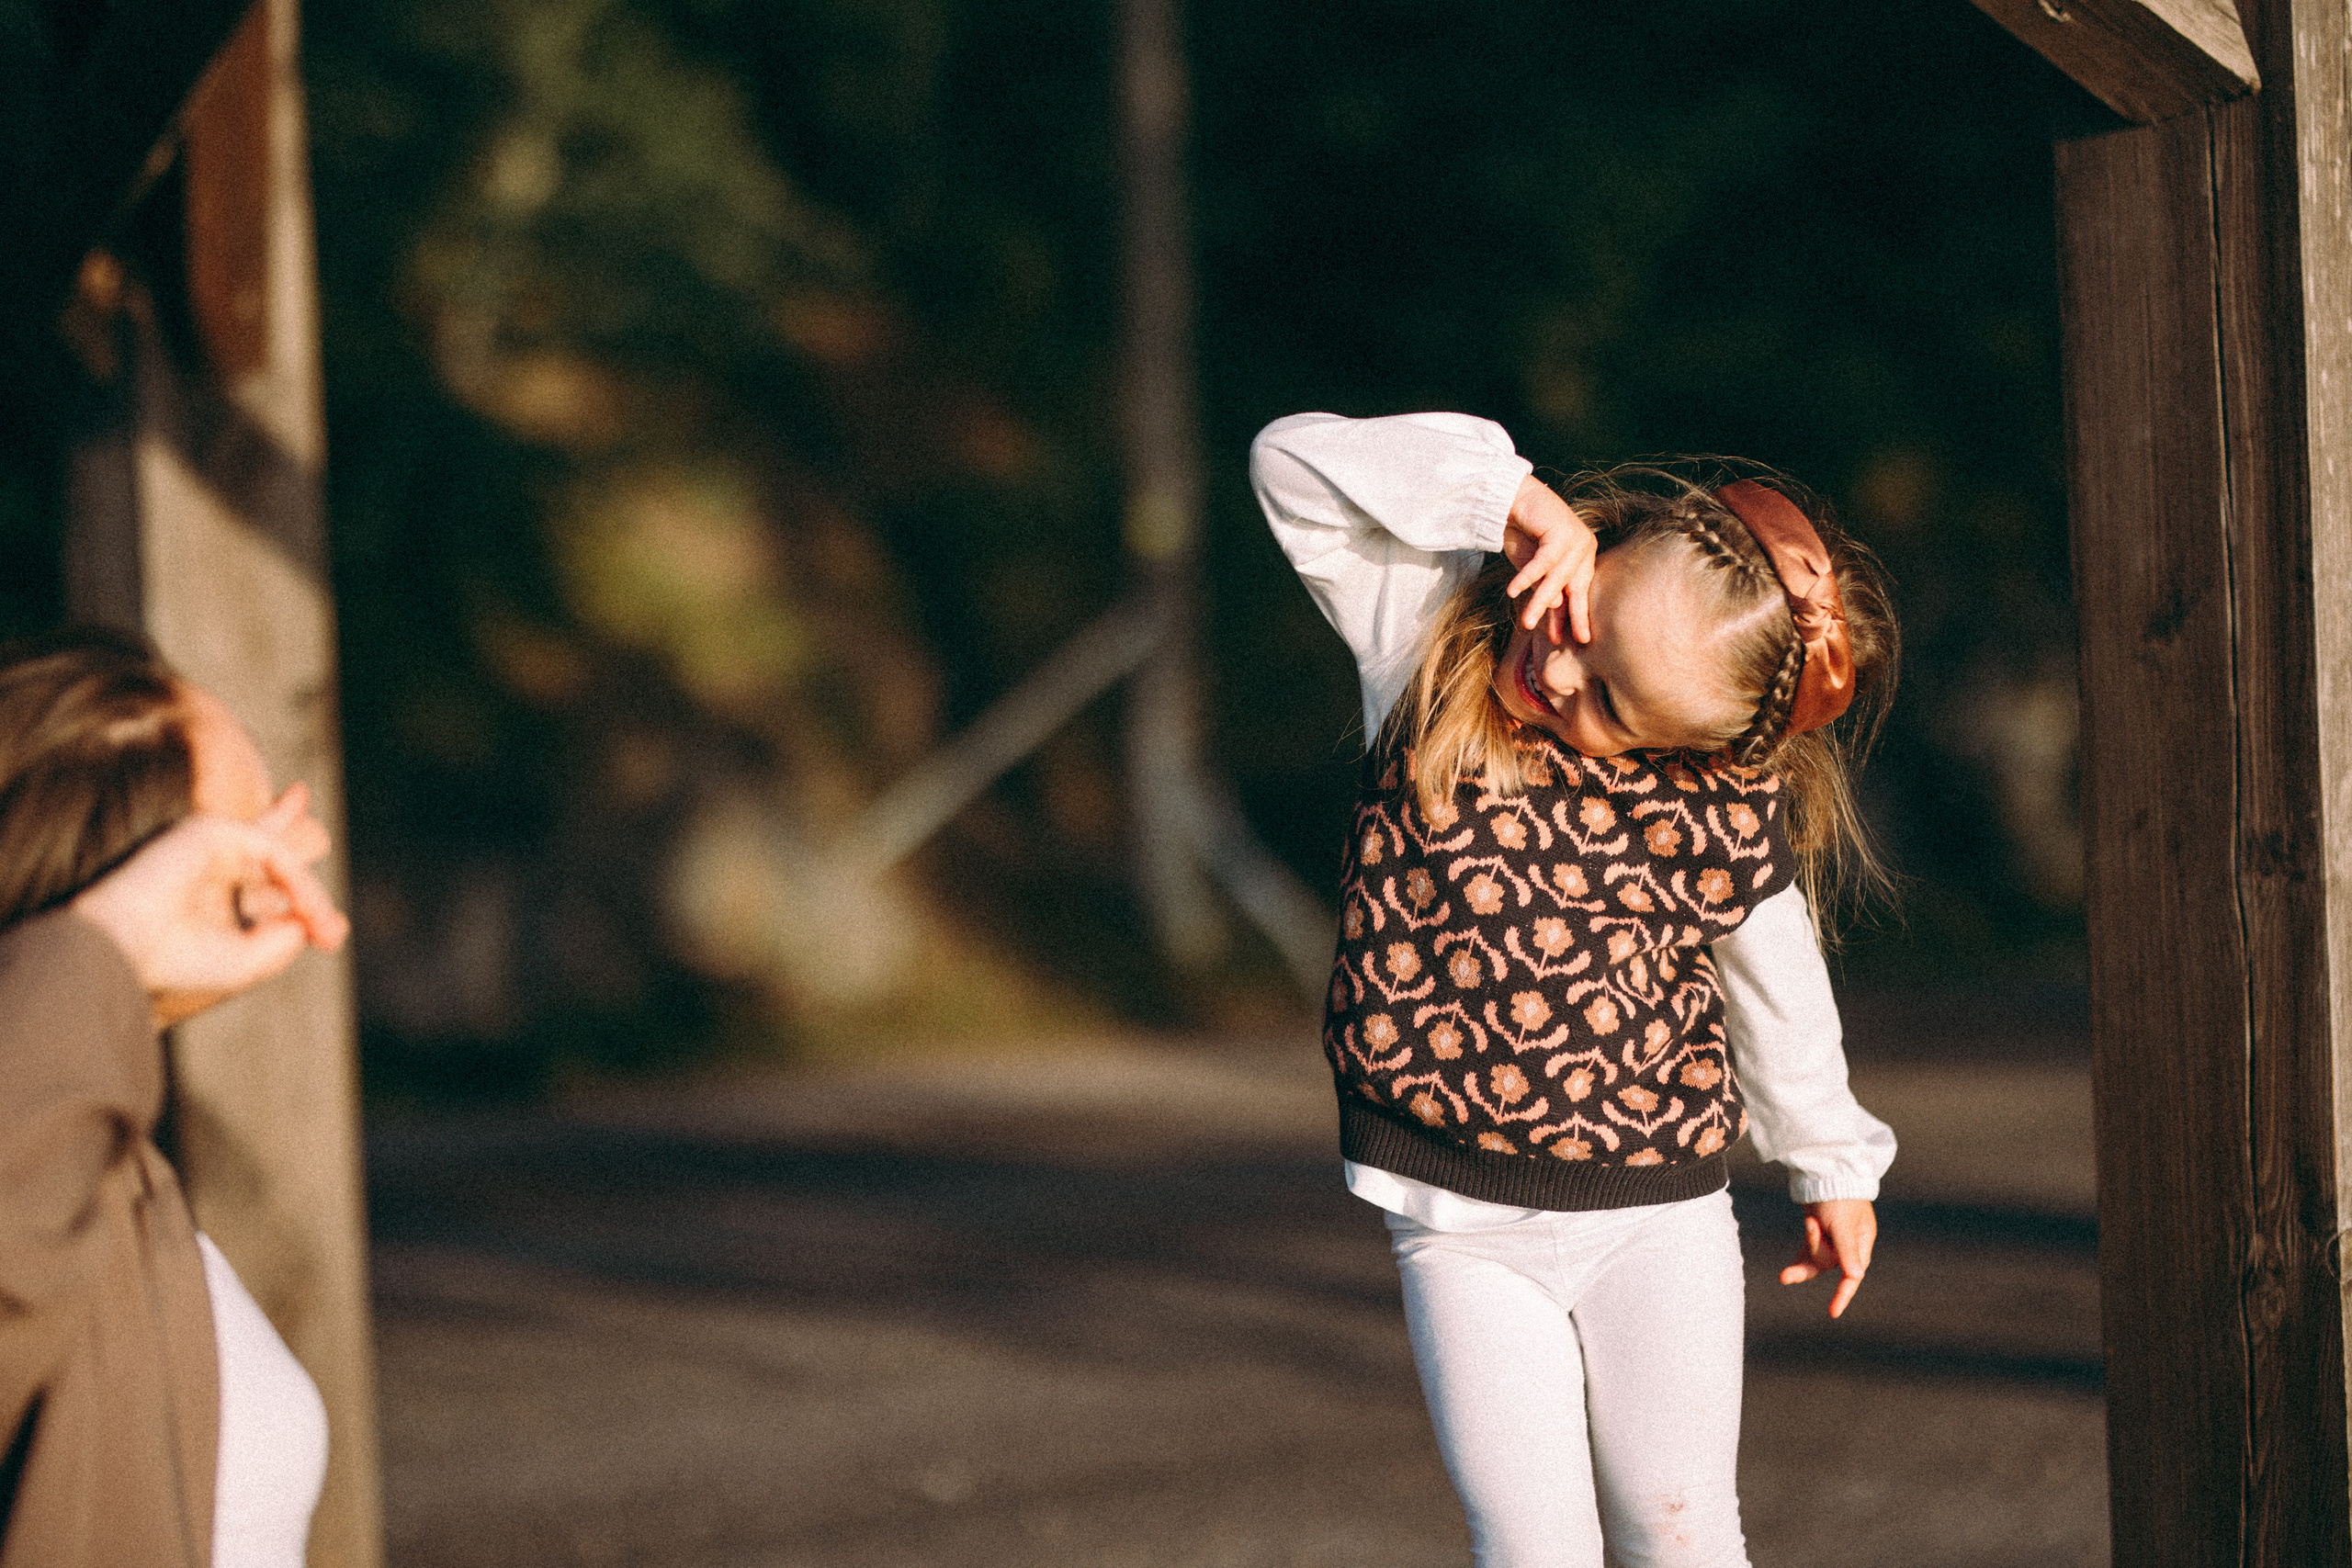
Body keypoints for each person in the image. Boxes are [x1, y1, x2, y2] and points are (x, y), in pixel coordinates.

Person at [1252, 412, 1899, 1567]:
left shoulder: (1710, 807)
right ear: (1606, 545)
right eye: (1580, 624)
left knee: (1681, 1528)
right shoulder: (1426, 643)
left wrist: (1830, 1159)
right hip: (1455, 1231)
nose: (1554, 671)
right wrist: (1512, 501)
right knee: (1531, 1547)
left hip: (1658, 1220)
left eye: (1609, 702)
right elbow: (1287, 463)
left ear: (1694, 751)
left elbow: (1776, 986)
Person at [0, 629, 349, 1568]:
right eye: (243, 836)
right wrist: (97, 950)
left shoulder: (104, 1146)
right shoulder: (37, 1137)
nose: (289, 856)